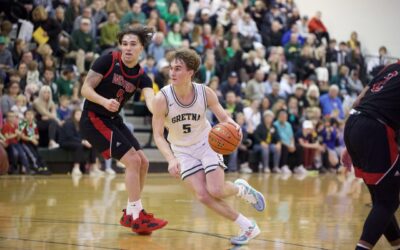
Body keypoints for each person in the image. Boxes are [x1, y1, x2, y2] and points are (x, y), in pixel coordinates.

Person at [152, 48, 265, 245]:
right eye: (171, 68)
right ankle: (248, 226)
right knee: (203, 195)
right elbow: (158, 135)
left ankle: (241, 189)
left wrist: (233, 126)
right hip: (182, 150)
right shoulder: (162, 98)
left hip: (207, 143)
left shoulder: (205, 93)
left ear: (191, 72)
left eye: (178, 69)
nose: (172, 73)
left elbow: (224, 117)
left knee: (217, 190)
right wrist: (171, 159)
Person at [79, 26, 167, 234]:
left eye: (133, 44)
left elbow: (151, 102)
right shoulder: (107, 61)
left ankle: (131, 211)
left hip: (112, 119)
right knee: (133, 161)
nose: (128, 48)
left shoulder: (142, 76)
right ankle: (137, 215)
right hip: (93, 117)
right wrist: (103, 101)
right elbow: (85, 89)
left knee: (144, 162)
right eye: (125, 44)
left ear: (142, 48)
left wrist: (162, 110)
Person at [342, 62, 400, 250]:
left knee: (381, 196)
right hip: (376, 129)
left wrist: (351, 143)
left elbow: (358, 100)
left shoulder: (392, 67)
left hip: (353, 122)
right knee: (388, 201)